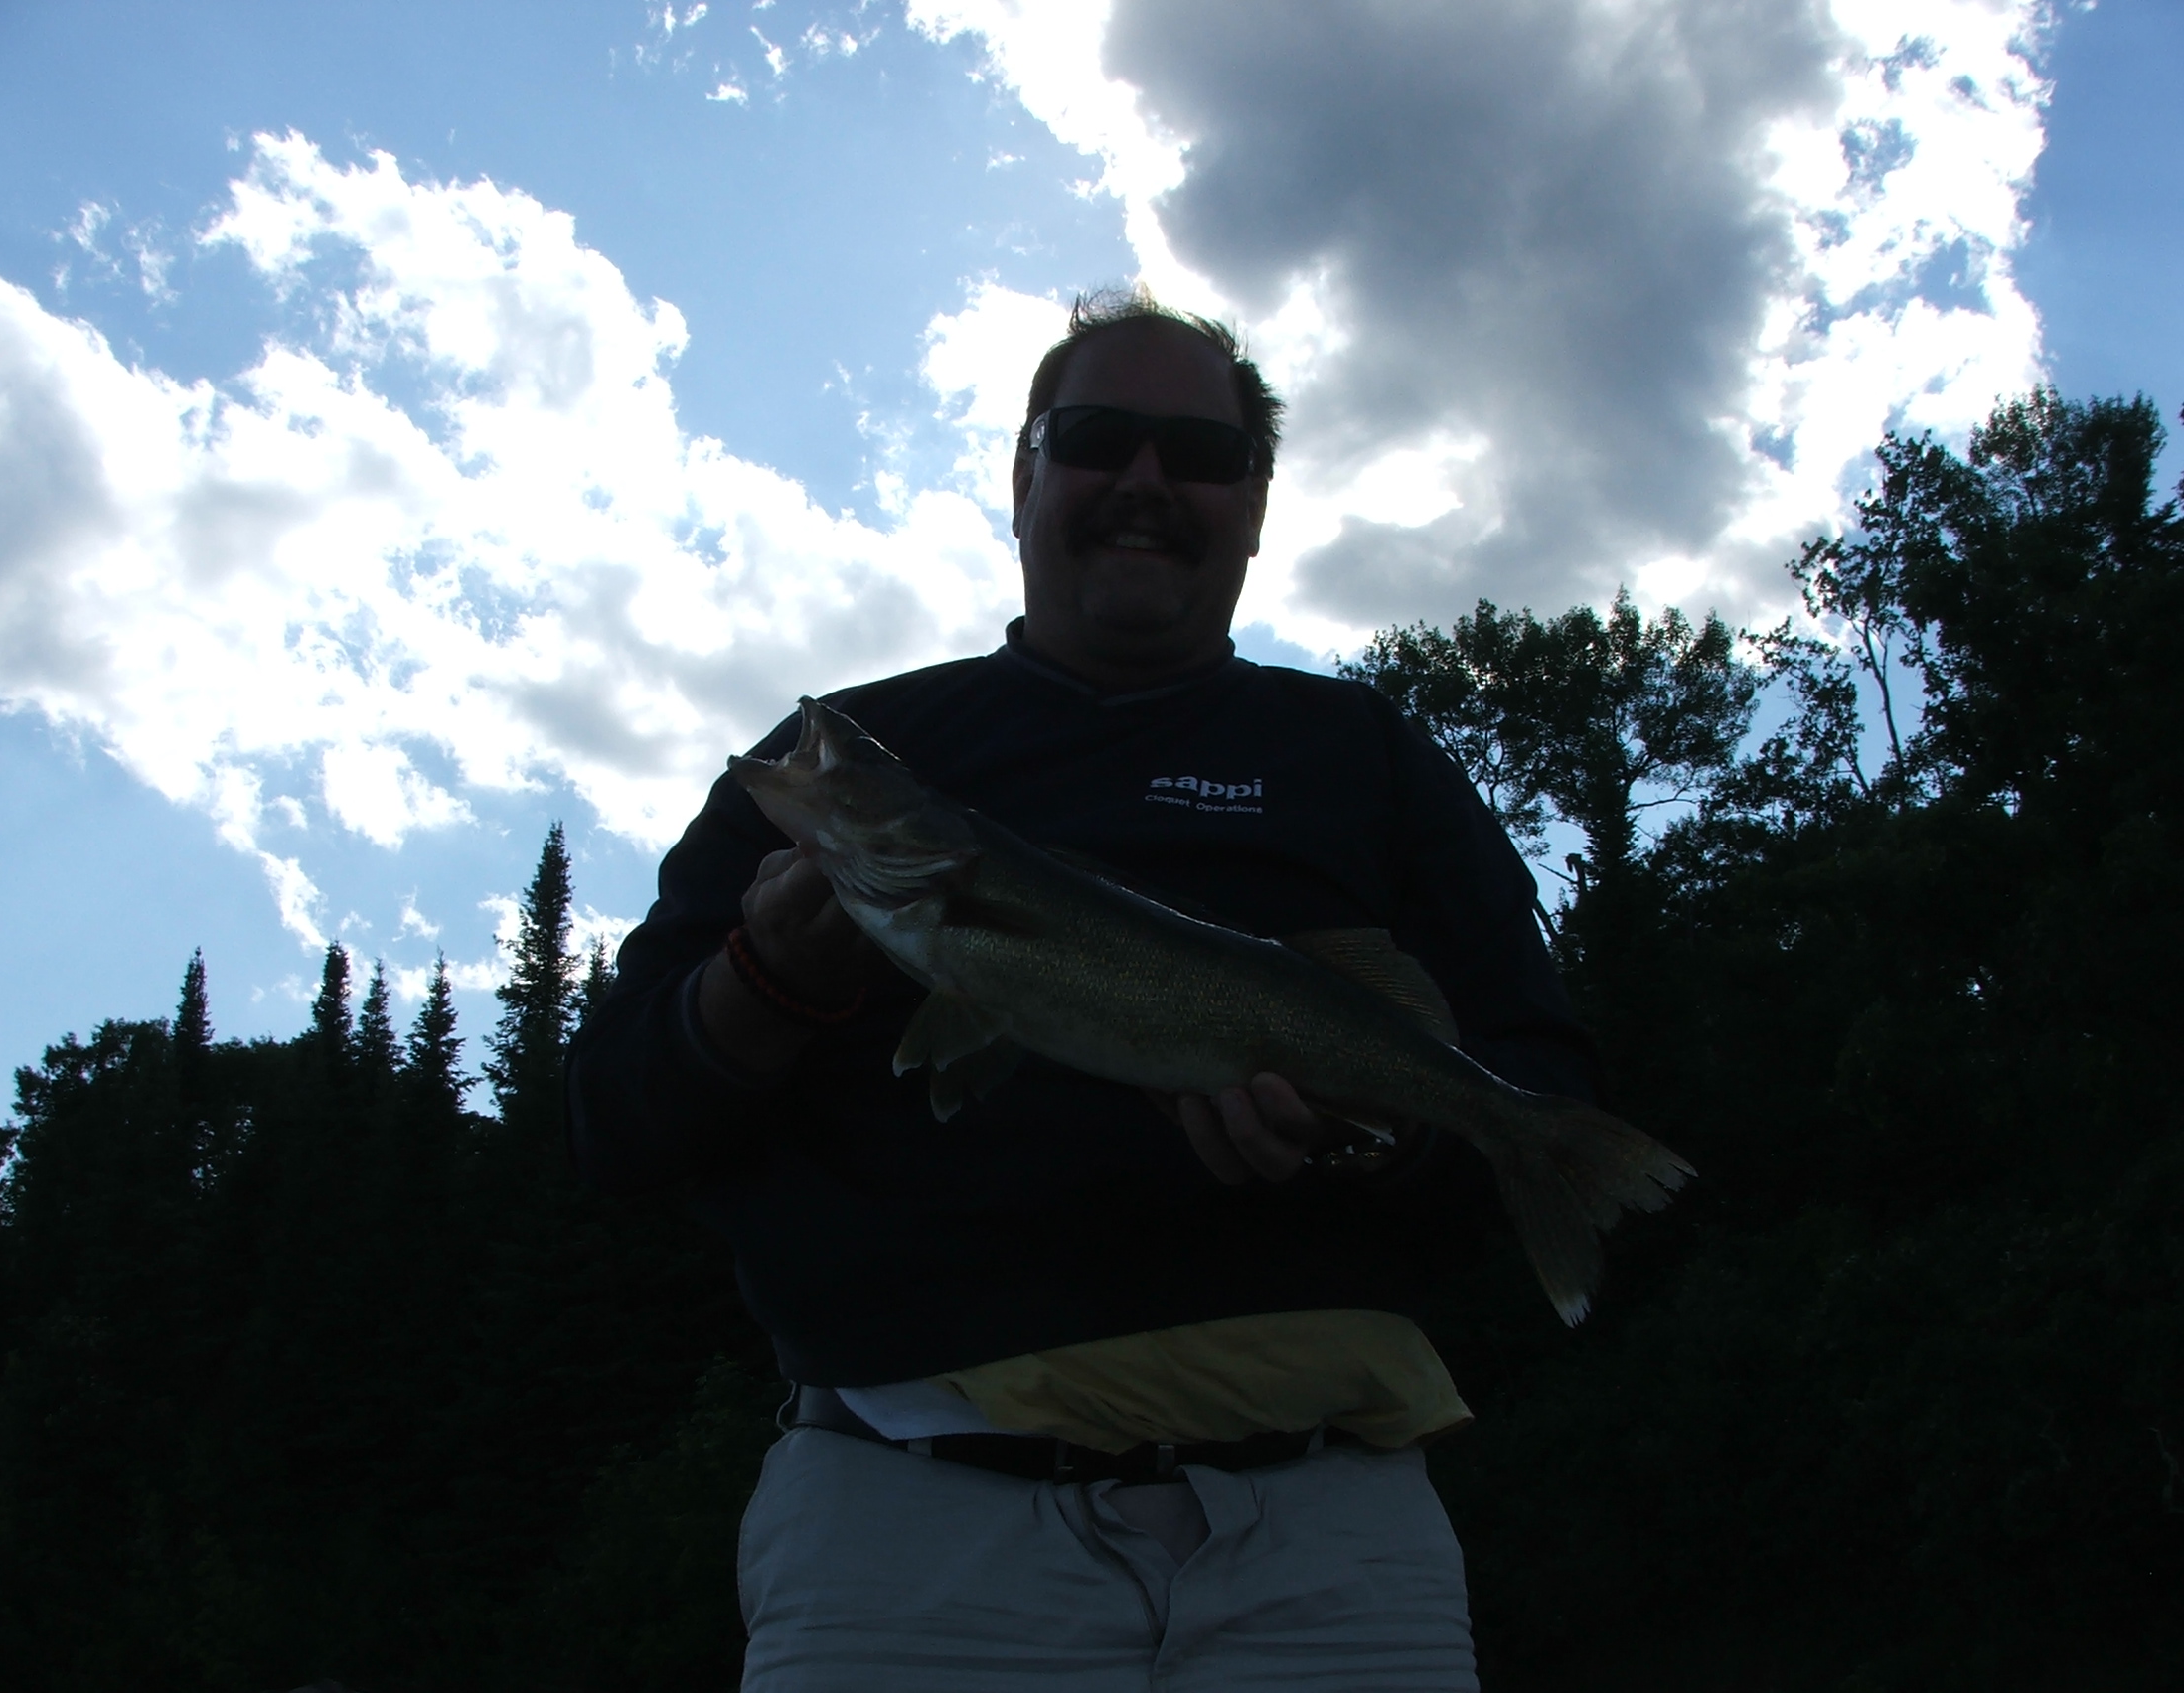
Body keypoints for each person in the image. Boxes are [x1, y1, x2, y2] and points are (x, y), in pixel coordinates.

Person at [566, 290, 1599, 1691]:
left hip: (1329, 1546)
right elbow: (613, 1125)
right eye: (1099, 439)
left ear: (1255, 507)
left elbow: (1535, 1069)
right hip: (909, 1536)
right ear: (1024, 479)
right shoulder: (861, 754)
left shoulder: (1367, 756)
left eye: (1202, 456)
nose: (1145, 482)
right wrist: (765, 980)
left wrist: (1373, 1136)